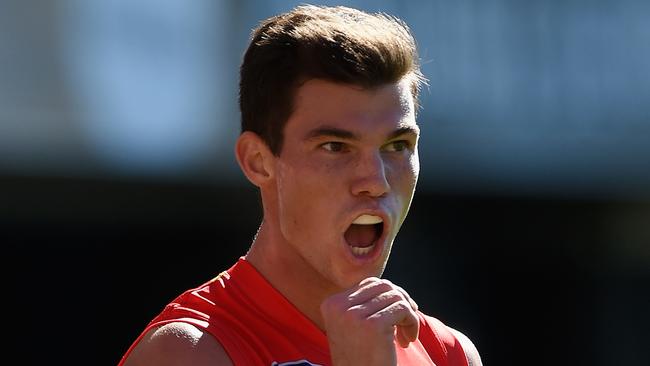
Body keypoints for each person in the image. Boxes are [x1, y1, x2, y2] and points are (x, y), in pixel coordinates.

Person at [119, 4, 482, 366]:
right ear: (258, 161)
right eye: (336, 147)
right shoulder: (188, 352)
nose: (375, 181)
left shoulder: (447, 353)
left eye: (397, 146)